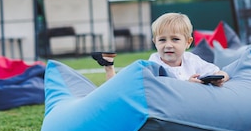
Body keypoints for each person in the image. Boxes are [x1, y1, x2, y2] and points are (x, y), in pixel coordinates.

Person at [92, 12, 230, 85]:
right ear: (155, 42)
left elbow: (218, 72)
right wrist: (188, 85)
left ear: (188, 43)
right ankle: (108, 66)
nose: (168, 45)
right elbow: (163, 89)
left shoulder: (191, 59)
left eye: (175, 39)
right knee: (116, 86)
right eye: (162, 40)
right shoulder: (154, 64)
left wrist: (220, 78)